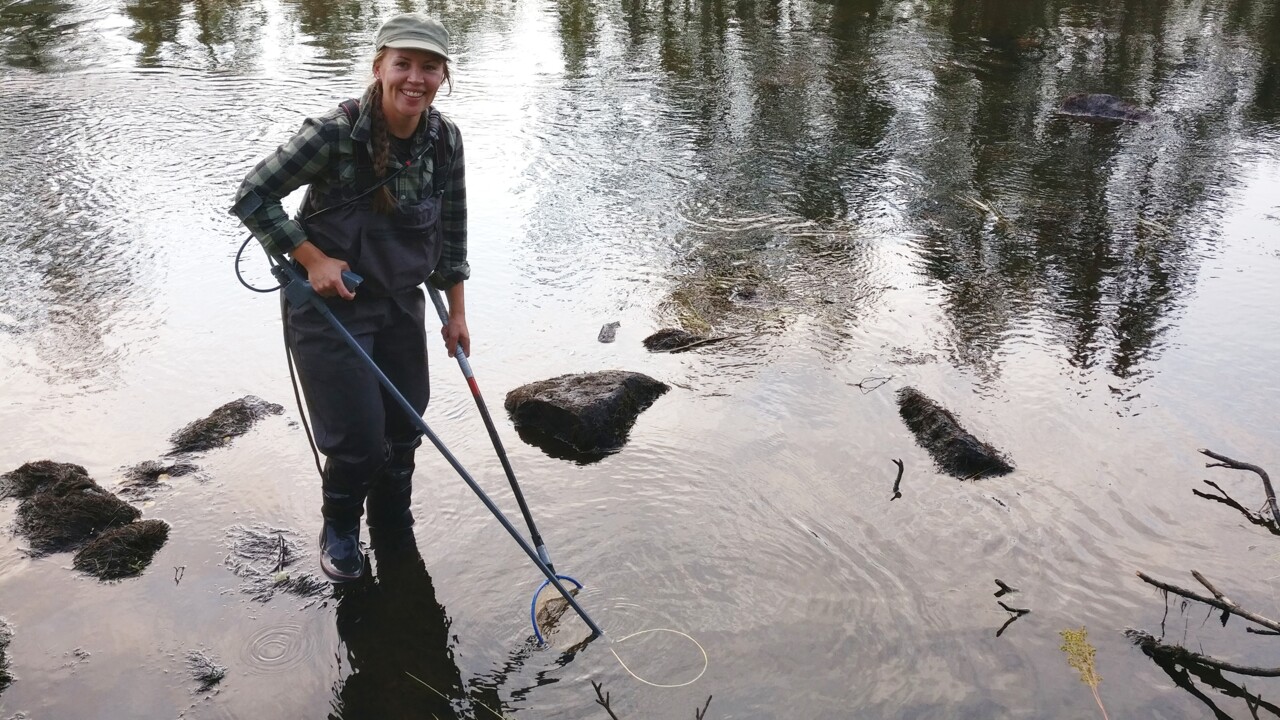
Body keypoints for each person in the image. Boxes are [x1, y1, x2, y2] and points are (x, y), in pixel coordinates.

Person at [232, 13, 469, 582]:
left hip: (400, 300)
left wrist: (457, 314)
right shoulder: (334, 134)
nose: (416, 78)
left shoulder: (445, 139)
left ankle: (393, 520)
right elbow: (252, 196)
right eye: (403, 64)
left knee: (406, 423)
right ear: (380, 67)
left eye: (429, 67)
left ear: (444, 76)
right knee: (358, 443)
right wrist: (312, 260)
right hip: (328, 308)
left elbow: (454, 231)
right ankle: (339, 527)